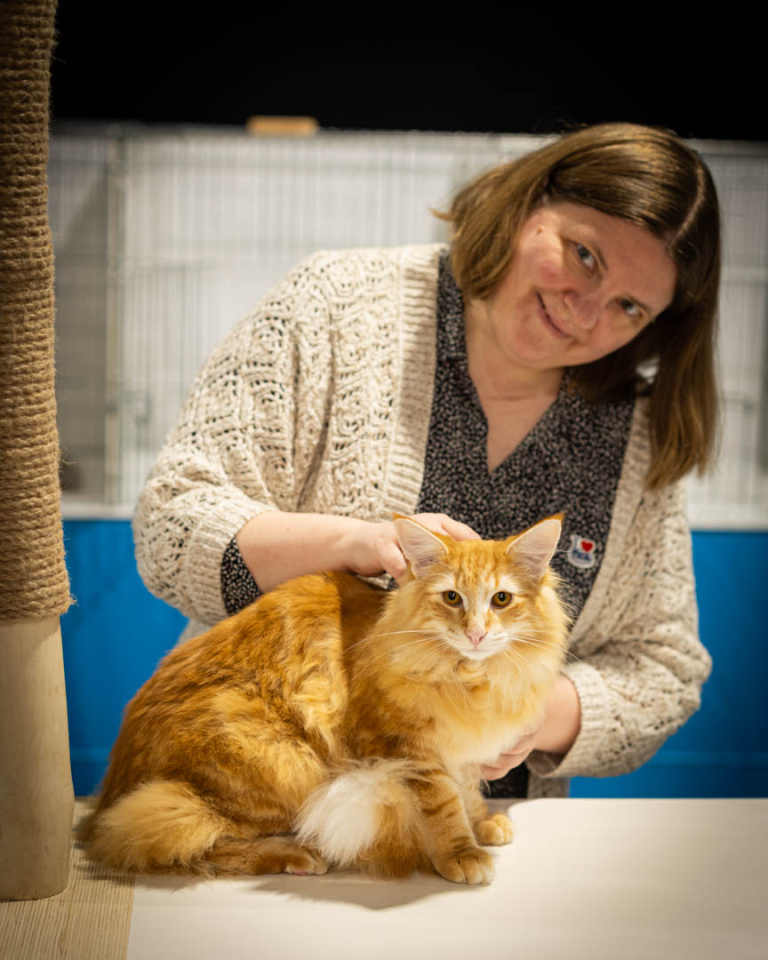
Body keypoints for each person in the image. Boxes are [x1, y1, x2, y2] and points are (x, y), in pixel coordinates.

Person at [133, 122, 720, 799]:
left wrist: (533, 711)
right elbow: (173, 521)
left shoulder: (638, 428)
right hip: (255, 795)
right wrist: (351, 544)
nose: (586, 311)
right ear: (530, 203)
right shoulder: (336, 304)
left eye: (629, 306)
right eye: (584, 255)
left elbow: (663, 668)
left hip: (470, 837)